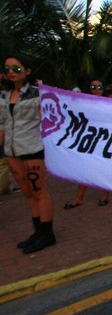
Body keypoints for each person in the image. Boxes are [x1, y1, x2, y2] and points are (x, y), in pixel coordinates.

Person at [0, 54, 56, 253]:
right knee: (27, 192)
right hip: (12, 149)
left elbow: (52, 115)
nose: (11, 73)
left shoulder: (37, 93)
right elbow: (3, 124)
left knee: (39, 191)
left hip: (32, 148)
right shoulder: (4, 95)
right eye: (7, 69)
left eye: (16, 69)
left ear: (27, 70)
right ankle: (37, 231)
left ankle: (47, 233)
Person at [64, 76, 111, 209]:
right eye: (93, 87)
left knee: (104, 168)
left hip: (104, 140)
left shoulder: (109, 104)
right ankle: (79, 197)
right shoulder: (82, 103)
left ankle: (105, 195)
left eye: (100, 87)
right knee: (84, 168)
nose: (97, 90)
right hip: (88, 140)